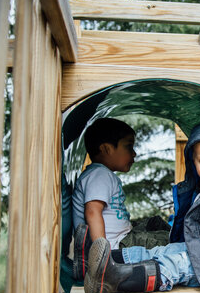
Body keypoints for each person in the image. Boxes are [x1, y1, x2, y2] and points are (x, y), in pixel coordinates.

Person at [84, 119, 200, 293]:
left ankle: (112, 280)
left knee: (173, 264)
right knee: (157, 251)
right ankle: (99, 262)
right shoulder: (197, 185)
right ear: (193, 160)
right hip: (196, 248)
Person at [71, 118, 169, 281]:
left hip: (121, 238)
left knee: (155, 222)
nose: (134, 153)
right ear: (106, 149)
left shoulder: (101, 174)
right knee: (169, 240)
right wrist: (101, 258)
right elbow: (93, 212)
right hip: (116, 246)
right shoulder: (99, 175)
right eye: (129, 146)